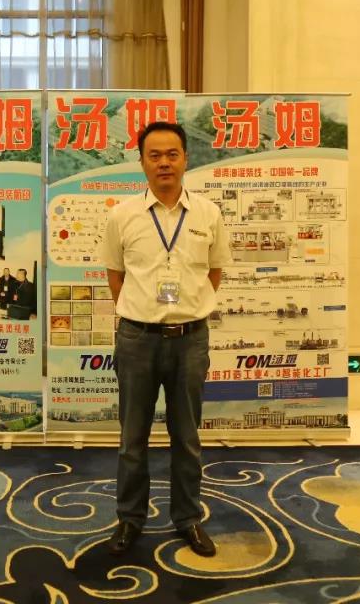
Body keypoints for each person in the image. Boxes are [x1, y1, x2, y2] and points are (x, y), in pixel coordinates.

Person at [99, 121, 231, 558]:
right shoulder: (123, 215)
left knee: (187, 437)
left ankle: (188, 519)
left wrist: (185, 310)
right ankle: (129, 519)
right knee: (131, 439)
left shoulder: (208, 214)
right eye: (154, 155)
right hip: (137, 339)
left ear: (185, 159)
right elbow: (116, 276)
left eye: (172, 154)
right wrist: (142, 314)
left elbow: (214, 272)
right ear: (141, 162)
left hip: (190, 340)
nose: (164, 163)